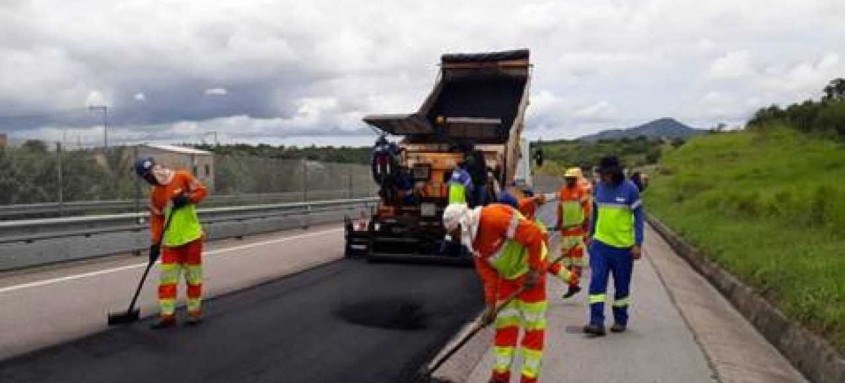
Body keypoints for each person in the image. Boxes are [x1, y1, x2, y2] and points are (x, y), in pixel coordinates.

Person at [443, 203, 548, 383]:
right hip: (508, 277)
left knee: (533, 329)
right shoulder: (474, 244)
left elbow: (533, 234)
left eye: (455, 234)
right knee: (504, 327)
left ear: (462, 224)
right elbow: (489, 277)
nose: (457, 238)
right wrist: (490, 306)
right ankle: (500, 376)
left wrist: (534, 270)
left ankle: (529, 379)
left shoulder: (494, 218)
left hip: (531, 272)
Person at [134, 156, 208, 329]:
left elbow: (202, 191)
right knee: (167, 281)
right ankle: (167, 316)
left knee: (194, 278)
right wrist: (154, 244)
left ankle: (194, 313)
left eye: (150, 173)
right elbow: (157, 220)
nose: (150, 178)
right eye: (146, 177)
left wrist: (187, 199)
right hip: (170, 243)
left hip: (192, 239)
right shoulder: (156, 194)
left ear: (157, 167)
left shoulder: (182, 177)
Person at [584, 156, 644, 336]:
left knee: (622, 287)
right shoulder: (599, 188)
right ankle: (596, 322)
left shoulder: (630, 190)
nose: (603, 178)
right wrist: (590, 234)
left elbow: (639, 218)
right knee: (597, 283)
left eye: (606, 174)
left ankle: (620, 320)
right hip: (600, 245)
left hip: (623, 248)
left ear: (614, 173)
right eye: (601, 174)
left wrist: (638, 244)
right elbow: (595, 213)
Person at [553, 168, 592, 299]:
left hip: (577, 231)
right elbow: (560, 209)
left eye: (570, 178)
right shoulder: (562, 192)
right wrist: (558, 223)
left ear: (575, 179)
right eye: (567, 178)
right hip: (565, 232)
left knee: (577, 261)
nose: (568, 180)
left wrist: (585, 225)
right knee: (566, 261)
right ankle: (573, 283)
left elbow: (587, 210)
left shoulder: (581, 192)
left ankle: (573, 284)